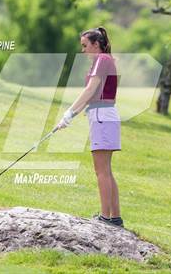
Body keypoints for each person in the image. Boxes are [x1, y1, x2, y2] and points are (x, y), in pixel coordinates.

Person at [57, 27, 123, 227]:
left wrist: (69, 113)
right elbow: (92, 94)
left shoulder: (102, 60)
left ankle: (105, 218)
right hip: (105, 115)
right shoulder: (105, 60)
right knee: (107, 170)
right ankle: (114, 217)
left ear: (96, 44)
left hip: (102, 116)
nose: (83, 51)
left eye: (85, 46)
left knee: (101, 171)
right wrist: (71, 116)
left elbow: (89, 90)